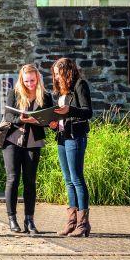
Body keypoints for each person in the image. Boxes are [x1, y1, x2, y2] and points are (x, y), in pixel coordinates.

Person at [2, 64, 53, 234]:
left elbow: (49, 119)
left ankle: (29, 221)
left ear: (37, 77)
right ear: (21, 80)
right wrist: (22, 119)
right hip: (12, 141)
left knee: (30, 182)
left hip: (33, 142)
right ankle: (12, 219)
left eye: (32, 80)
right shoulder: (14, 93)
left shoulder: (45, 96)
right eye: (26, 81)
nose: (30, 83)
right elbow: (8, 116)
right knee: (13, 179)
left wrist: (47, 122)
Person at [49, 58, 93, 238]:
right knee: (68, 180)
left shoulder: (80, 85)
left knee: (77, 178)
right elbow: (61, 115)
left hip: (75, 136)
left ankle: (83, 224)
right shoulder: (61, 90)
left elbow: (87, 111)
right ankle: (71, 222)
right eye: (55, 74)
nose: (56, 77)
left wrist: (69, 111)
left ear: (67, 72)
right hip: (62, 136)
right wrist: (52, 123)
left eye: (59, 73)